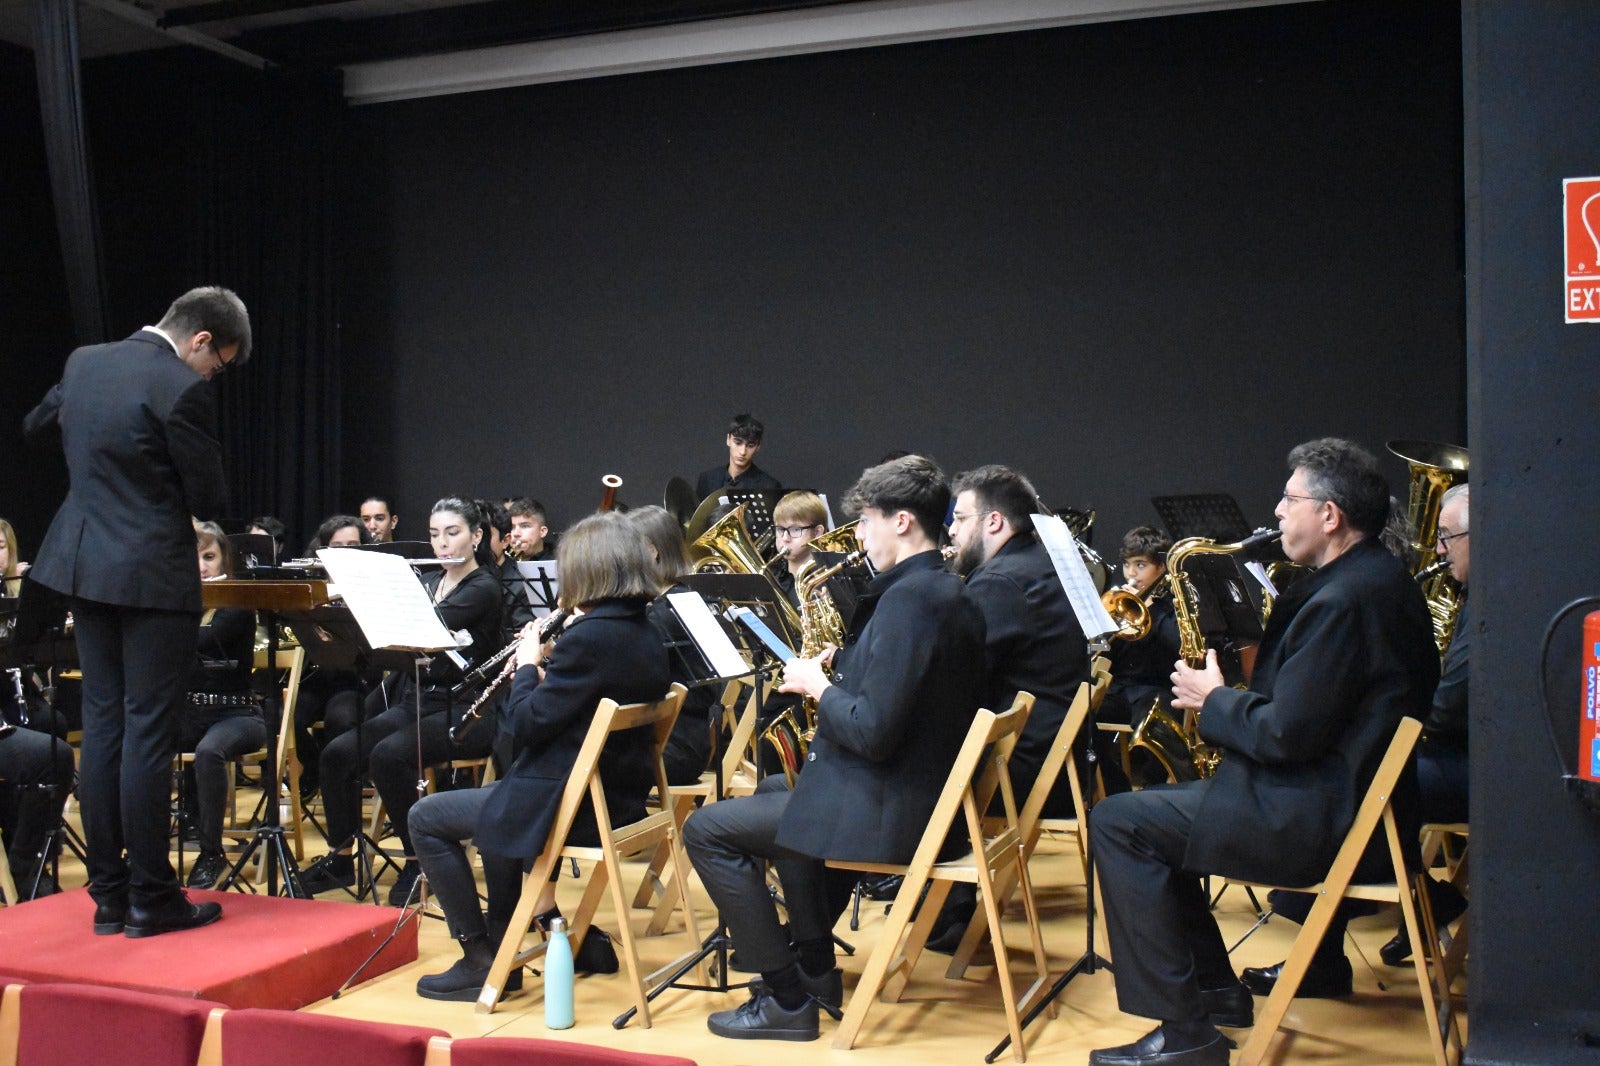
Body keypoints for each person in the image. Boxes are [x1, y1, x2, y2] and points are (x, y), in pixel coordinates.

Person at [1087, 438, 1439, 1066]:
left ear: (1329, 516)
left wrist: (1213, 697)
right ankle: (1215, 995)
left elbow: (1284, 734)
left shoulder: (1344, 601)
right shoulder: (1378, 581)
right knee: (1150, 818)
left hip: (1318, 817)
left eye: (1289, 498)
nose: (1276, 511)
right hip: (1357, 806)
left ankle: (1187, 1032)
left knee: (1118, 823)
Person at [683, 455, 986, 1042]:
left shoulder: (910, 602)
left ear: (901, 522)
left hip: (895, 809)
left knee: (707, 831)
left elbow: (872, 731)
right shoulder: (943, 590)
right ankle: (817, 970)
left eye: (868, 520)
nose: (861, 534)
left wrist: (821, 689)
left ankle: (786, 995)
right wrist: (843, 665)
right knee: (778, 788)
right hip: (924, 793)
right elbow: (908, 686)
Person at [22, 285, 250, 938]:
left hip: (83, 565)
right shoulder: (180, 387)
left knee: (102, 729)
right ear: (201, 339)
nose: (214, 375)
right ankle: (154, 897)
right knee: (148, 731)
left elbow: (39, 427)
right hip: (151, 571)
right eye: (220, 362)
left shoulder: (84, 363)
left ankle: (109, 898)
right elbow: (210, 496)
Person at [406, 511, 670, 999]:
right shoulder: (643, 631)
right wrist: (550, 677)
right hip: (619, 798)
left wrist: (527, 667)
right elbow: (582, 702)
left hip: (573, 805)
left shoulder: (589, 637)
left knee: (426, 816)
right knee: (498, 804)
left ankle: (481, 957)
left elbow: (524, 728)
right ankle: (555, 928)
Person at [299, 497, 503, 905]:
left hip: (469, 708)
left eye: (452, 533)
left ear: (476, 536)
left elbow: (425, 625)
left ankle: (418, 859)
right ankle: (341, 857)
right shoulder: (429, 582)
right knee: (337, 754)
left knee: (388, 757)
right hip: (420, 702)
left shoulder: (484, 587)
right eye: (434, 535)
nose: (442, 544)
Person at [925, 463, 1090, 951]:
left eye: (959, 518)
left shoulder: (1000, 582)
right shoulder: (1042, 563)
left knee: (905, 761)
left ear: (993, 522)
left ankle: (932, 903)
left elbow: (952, 682)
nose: (951, 531)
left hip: (1023, 769)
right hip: (1061, 761)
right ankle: (942, 908)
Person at [1379, 482, 1471, 966]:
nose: (1438, 549)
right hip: (1460, 752)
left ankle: (1426, 899)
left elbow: (1447, 710)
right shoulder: (1475, 595)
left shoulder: (1488, 609)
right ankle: (1426, 900)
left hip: (1479, 771)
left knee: (1370, 786)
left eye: (1448, 536)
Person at [179, 524, 267, 890]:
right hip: (189, 712)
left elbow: (201, 639)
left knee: (210, 752)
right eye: (193, 557)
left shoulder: (237, 603)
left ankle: (211, 852)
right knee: (134, 739)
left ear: (224, 561)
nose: (200, 565)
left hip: (238, 713)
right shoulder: (179, 602)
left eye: (209, 557)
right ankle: (138, 852)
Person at [627, 505, 717, 785]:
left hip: (673, 749)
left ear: (653, 551)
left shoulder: (663, 614)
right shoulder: (684, 597)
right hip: (688, 741)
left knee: (585, 760)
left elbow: (633, 684)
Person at [292, 514, 373, 797]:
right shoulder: (311, 586)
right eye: (338, 546)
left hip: (354, 680)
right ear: (324, 550)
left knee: (341, 718)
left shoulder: (374, 585)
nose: (347, 552)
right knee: (285, 715)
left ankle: (339, 785)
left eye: (354, 545)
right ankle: (314, 768)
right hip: (315, 677)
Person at [1098, 526, 1182, 795]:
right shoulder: (1120, 603)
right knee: (1076, 714)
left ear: (1161, 567)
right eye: (1127, 565)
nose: (1131, 574)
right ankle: (1113, 788)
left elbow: (1176, 645)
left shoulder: (1173, 605)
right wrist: (1110, 623)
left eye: (1140, 565)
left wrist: (1151, 612)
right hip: (1120, 689)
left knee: (1156, 723)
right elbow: (1106, 654)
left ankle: (1152, 791)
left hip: (1156, 691)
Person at [694, 414, 782, 503]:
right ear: (728, 439)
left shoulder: (770, 487)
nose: (743, 452)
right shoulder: (707, 479)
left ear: (758, 446)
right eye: (738, 443)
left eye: (750, 445)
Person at [769, 491, 829, 607]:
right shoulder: (770, 577)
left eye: (795, 529)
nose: (785, 538)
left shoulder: (831, 582)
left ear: (817, 533)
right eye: (781, 529)